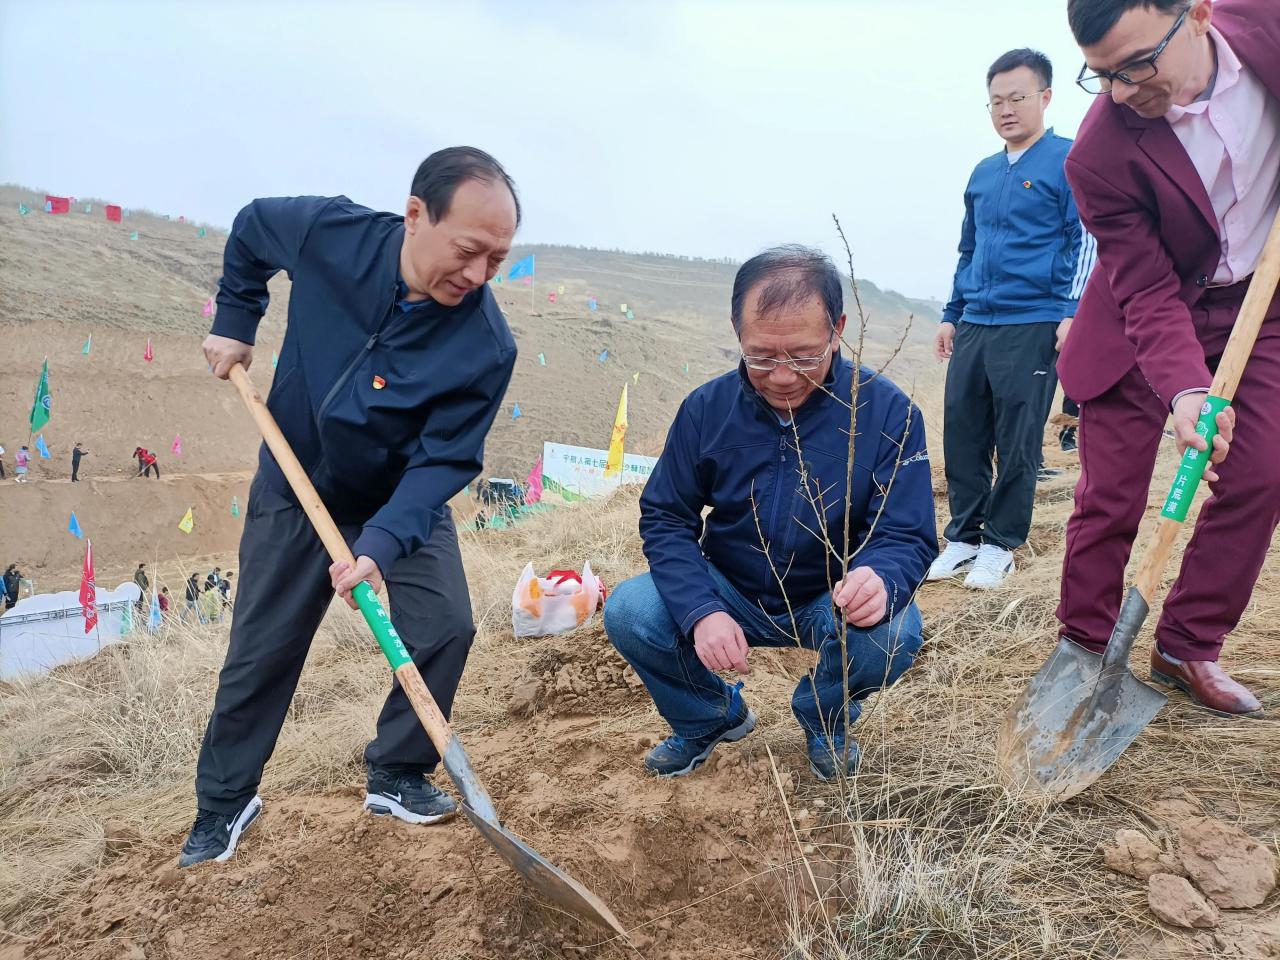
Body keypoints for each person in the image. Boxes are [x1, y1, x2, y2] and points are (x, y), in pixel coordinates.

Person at [180, 146, 520, 868]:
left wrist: (386, 542)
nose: (479, 275)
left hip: (397, 497)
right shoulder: (329, 234)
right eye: (468, 251)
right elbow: (251, 228)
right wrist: (238, 315)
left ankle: (397, 772)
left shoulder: (485, 345)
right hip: (295, 481)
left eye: (498, 259)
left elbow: (447, 459)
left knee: (445, 625)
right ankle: (223, 804)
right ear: (417, 215)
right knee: (261, 652)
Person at [604, 246, 937, 781]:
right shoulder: (706, 411)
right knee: (631, 612)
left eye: (804, 356)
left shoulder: (887, 412)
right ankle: (709, 718)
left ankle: (826, 718)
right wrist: (700, 610)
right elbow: (667, 516)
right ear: (737, 331)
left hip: (828, 594)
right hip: (729, 586)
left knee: (892, 635)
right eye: (761, 356)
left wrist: (881, 577)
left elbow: (907, 530)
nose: (782, 376)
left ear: (838, 329)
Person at [1057, 0, 1278, 716]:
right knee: (1110, 497)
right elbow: (1145, 289)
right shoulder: (1098, 153)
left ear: (1201, 14)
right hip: (1143, 316)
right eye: (1102, 76)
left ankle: (1187, 644)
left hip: (1258, 301)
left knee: (1265, 469)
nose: (1122, 91)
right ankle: (1084, 652)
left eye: (1137, 65)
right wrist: (1185, 392)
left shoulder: (1270, 27)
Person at [929, 49, 1096, 590]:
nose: (1006, 109)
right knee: (963, 430)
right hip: (977, 319)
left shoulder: (1068, 161)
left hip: (1034, 319)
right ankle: (963, 537)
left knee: (1018, 437)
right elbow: (968, 249)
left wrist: (1072, 313)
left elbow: (1084, 239)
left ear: (1045, 97)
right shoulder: (983, 172)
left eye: (1018, 98)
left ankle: (1000, 544)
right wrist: (952, 314)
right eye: (996, 101)